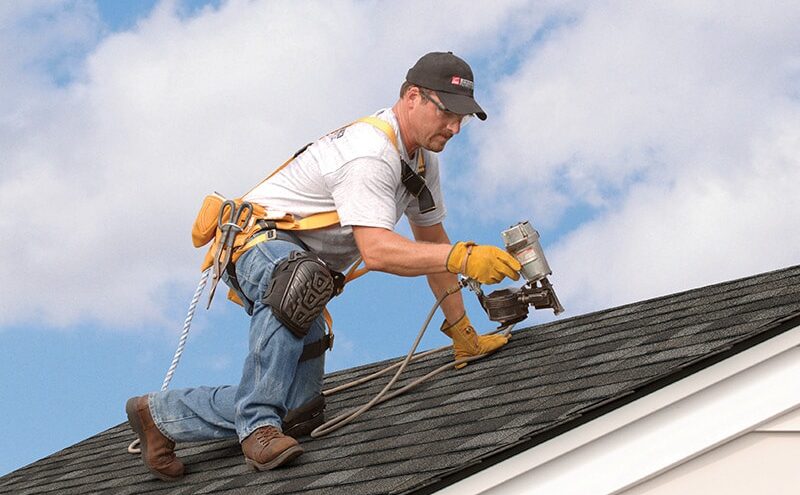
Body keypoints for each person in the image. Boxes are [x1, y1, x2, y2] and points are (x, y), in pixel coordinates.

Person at [125, 51, 521, 481]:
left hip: (301, 269)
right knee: (301, 283)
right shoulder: (369, 155)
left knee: (298, 412)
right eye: (448, 112)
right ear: (412, 97)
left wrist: (462, 332)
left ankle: (161, 415)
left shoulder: (423, 163)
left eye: (462, 117)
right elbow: (378, 251)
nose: (455, 127)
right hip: (259, 244)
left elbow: (432, 242)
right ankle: (256, 427)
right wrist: (463, 256)